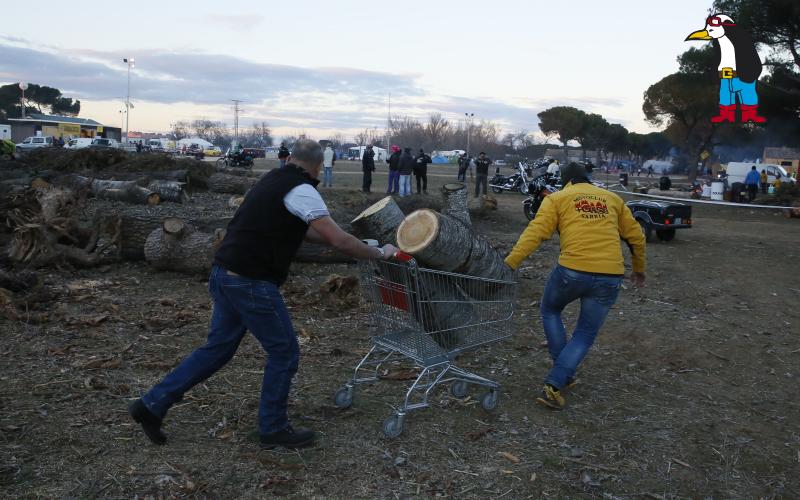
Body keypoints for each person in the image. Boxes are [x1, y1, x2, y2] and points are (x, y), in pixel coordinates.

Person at [128, 139, 399, 449]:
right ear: (318, 164)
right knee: (284, 352)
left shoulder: (272, 180)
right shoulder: (302, 189)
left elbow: (305, 231)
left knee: (216, 350)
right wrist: (381, 255)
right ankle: (272, 428)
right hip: (250, 281)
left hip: (224, 273)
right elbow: (339, 240)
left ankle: (150, 405)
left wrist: (363, 245)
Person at [504, 162, 646, 410]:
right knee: (585, 333)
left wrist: (510, 264)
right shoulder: (613, 199)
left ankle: (560, 375)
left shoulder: (558, 198)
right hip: (610, 276)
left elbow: (535, 233)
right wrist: (639, 269)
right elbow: (636, 236)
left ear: (566, 181)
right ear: (588, 179)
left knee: (550, 310)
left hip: (571, 271)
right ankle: (561, 377)